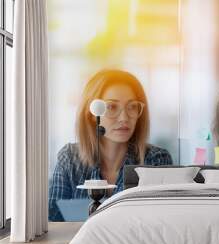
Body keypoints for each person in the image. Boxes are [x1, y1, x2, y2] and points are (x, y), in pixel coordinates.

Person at [49, 69, 173, 221]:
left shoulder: (156, 160)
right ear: (92, 114)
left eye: (132, 106)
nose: (124, 118)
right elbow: (53, 220)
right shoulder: (70, 159)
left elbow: (163, 223)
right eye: (111, 107)